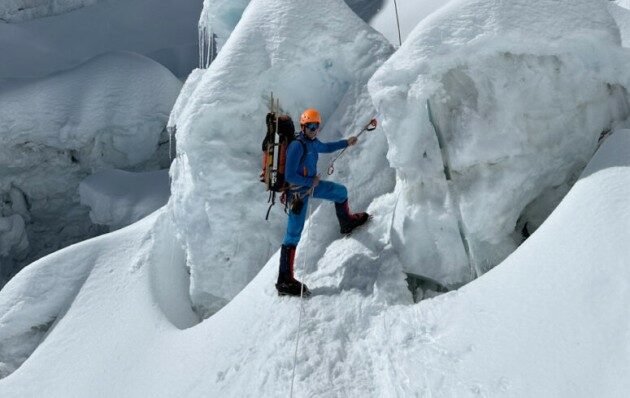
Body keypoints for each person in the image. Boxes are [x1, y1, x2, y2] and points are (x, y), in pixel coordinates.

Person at [276, 108, 370, 297]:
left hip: (311, 187)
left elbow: (325, 147)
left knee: (340, 192)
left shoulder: (312, 142)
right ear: (303, 127)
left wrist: (346, 142)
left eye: (316, 126)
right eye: (310, 126)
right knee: (293, 235)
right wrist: (310, 182)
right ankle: (284, 280)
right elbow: (290, 175)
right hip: (298, 195)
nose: (313, 129)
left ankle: (346, 222)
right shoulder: (297, 146)